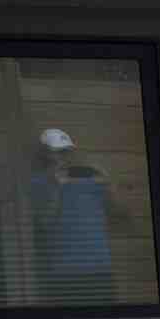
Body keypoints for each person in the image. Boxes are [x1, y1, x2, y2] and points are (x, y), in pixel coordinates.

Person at [34, 126, 112, 297]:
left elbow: (114, 211)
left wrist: (107, 184)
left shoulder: (86, 179)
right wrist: (58, 187)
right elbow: (45, 222)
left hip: (100, 268)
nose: (64, 158)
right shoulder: (40, 183)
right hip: (66, 271)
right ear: (46, 154)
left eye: (67, 152)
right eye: (59, 153)